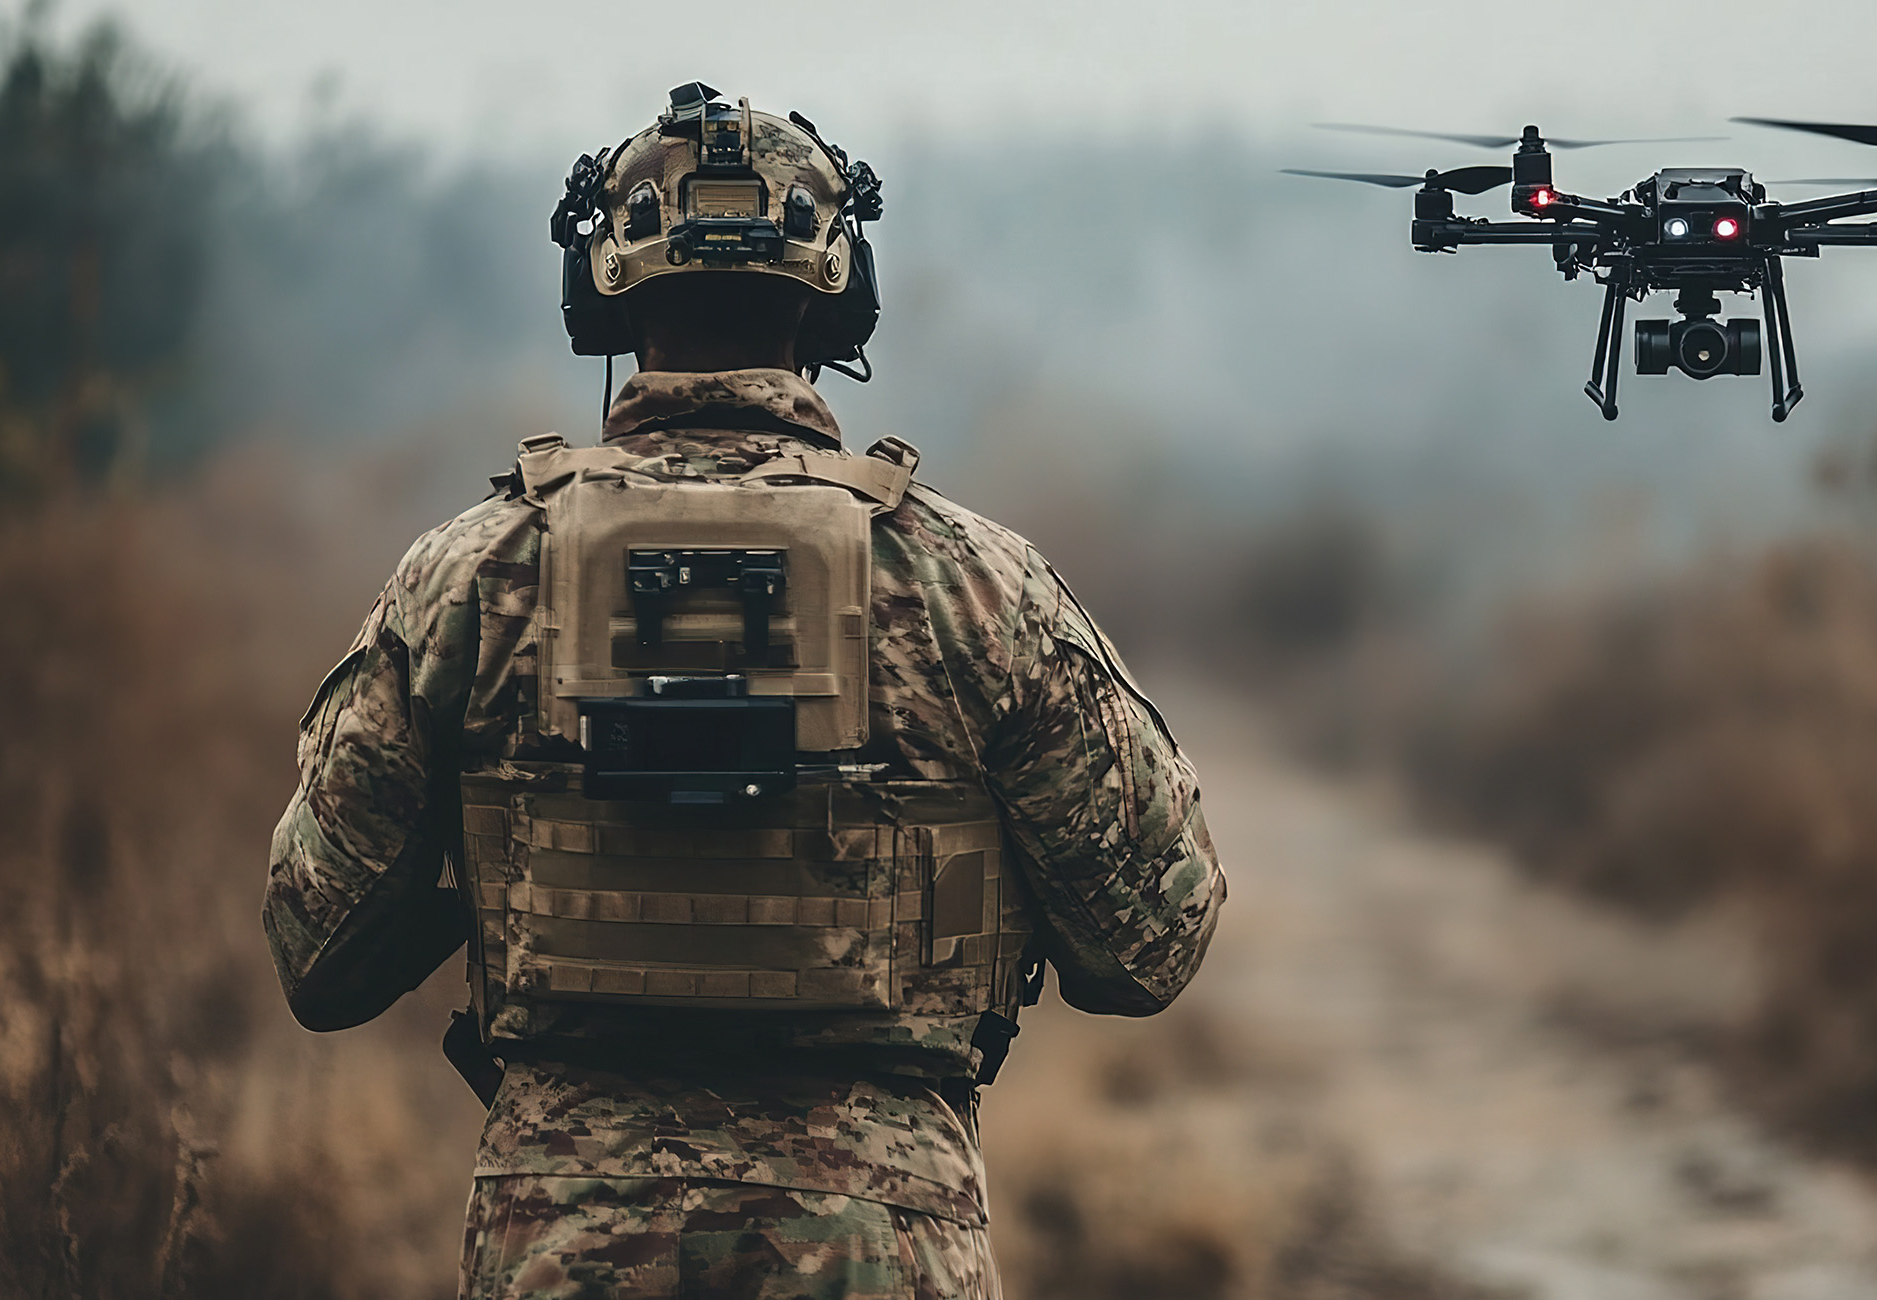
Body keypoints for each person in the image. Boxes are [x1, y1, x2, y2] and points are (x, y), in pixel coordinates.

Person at [263, 82, 1224, 1299]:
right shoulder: (975, 586)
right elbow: (1151, 942)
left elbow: (318, 951)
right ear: (838, 293)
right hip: (884, 1240)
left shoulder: (470, 577)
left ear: (599, 295)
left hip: (562, 1245)